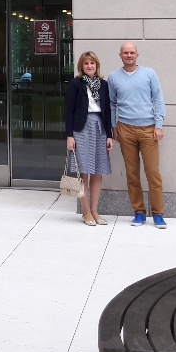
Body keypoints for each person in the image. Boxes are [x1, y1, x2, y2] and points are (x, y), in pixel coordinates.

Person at [107, 42, 167, 228]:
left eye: (132, 52)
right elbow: (111, 103)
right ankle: (139, 212)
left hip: (148, 129)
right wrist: (113, 126)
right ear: (120, 55)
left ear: (137, 55)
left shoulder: (149, 74)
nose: (129, 55)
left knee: (152, 173)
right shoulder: (113, 77)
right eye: (126, 53)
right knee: (132, 174)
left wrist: (158, 125)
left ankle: (158, 214)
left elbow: (158, 99)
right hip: (125, 129)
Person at [65, 51, 113, 226]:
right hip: (81, 129)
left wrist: (109, 135)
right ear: (81, 66)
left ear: (97, 65)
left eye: (92, 63)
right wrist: (69, 136)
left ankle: (94, 209)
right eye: (86, 64)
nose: (90, 66)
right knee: (83, 172)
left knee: (97, 171)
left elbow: (107, 110)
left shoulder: (103, 85)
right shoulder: (76, 84)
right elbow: (69, 111)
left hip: (99, 127)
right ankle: (85, 212)